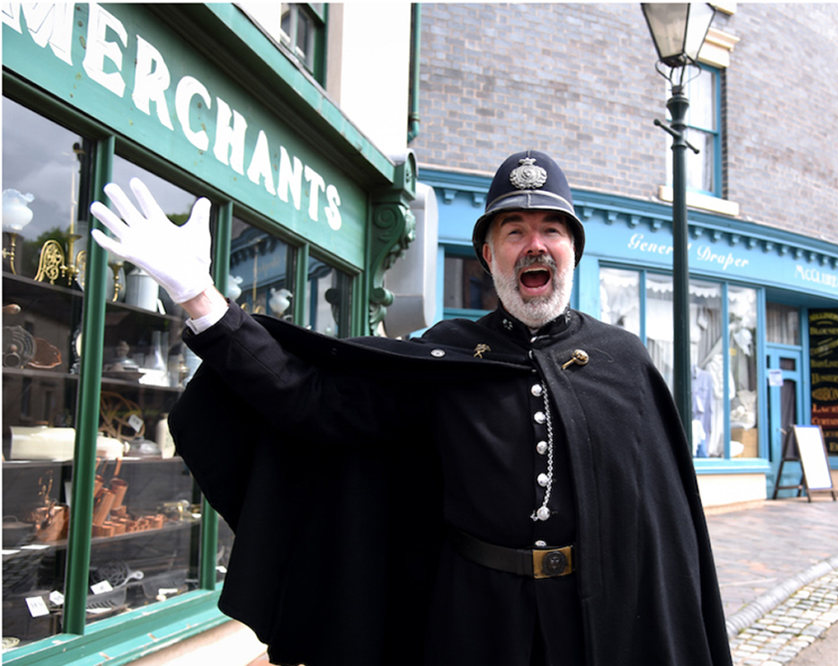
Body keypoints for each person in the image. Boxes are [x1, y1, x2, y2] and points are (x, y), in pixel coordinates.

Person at [90, 151, 733, 666]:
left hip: (602, 616)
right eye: (514, 231)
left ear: (573, 250)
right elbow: (312, 404)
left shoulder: (623, 362)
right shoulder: (446, 355)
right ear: (489, 255)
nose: (534, 244)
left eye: (551, 230)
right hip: (471, 620)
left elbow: (668, 525)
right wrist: (201, 298)